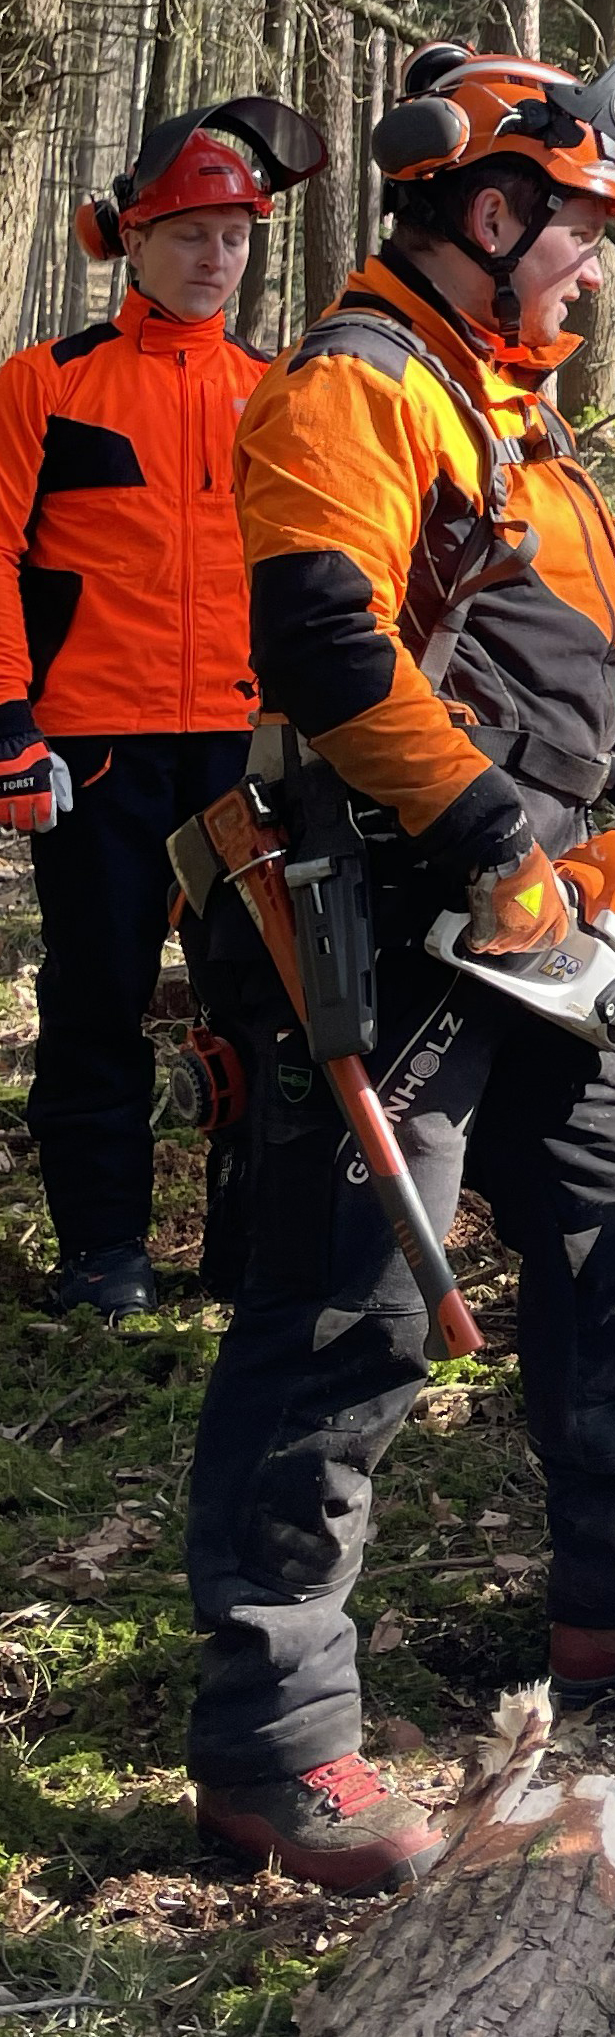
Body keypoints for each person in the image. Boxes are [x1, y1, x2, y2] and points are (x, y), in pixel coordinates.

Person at [182, 44, 615, 1892]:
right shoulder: (353, 390)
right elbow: (334, 657)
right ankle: (273, 1740)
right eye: (581, 238)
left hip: (528, 916)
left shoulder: (502, 413)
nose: (595, 273)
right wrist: (489, 843)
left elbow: (568, 656)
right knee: (347, 1307)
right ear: (487, 212)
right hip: (386, 911)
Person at [0, 98, 325, 1317]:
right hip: (94, 744)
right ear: (130, 240)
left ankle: (248, 1249)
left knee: (265, 1001)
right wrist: (9, 722)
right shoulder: (49, 383)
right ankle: (103, 1252)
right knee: (98, 990)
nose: (214, 257)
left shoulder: (278, 389)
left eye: (235, 236)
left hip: (241, 747)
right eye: (189, 232)